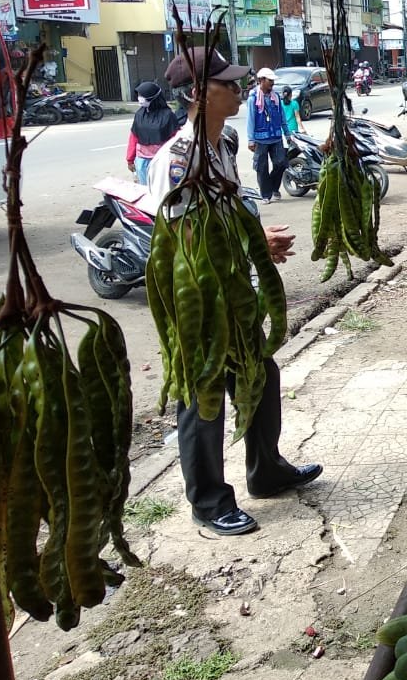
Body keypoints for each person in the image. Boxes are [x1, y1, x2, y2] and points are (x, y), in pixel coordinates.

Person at [149, 46, 321, 536]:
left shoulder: (223, 141)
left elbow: (228, 208)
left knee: (259, 374)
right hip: (197, 300)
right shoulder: (176, 159)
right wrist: (252, 241)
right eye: (227, 83)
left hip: (234, 291)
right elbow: (182, 239)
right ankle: (208, 500)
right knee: (201, 395)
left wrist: (255, 241)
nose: (238, 88)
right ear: (197, 94)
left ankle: (266, 471)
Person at [246, 67, 290, 204]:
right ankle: (266, 194)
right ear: (261, 81)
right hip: (260, 138)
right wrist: (251, 139)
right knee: (261, 167)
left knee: (281, 163)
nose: (272, 83)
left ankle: (272, 187)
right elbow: (250, 119)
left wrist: (287, 134)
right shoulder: (253, 98)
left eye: (273, 81)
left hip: (276, 136)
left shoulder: (275, 97)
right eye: (269, 81)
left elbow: (282, 116)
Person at [126, 81, 179, 185]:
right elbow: (133, 137)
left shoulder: (168, 116)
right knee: (146, 192)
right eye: (139, 95)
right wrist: (130, 159)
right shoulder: (140, 114)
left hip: (162, 161)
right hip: (142, 161)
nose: (140, 98)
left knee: (162, 191)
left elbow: (175, 138)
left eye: (142, 95)